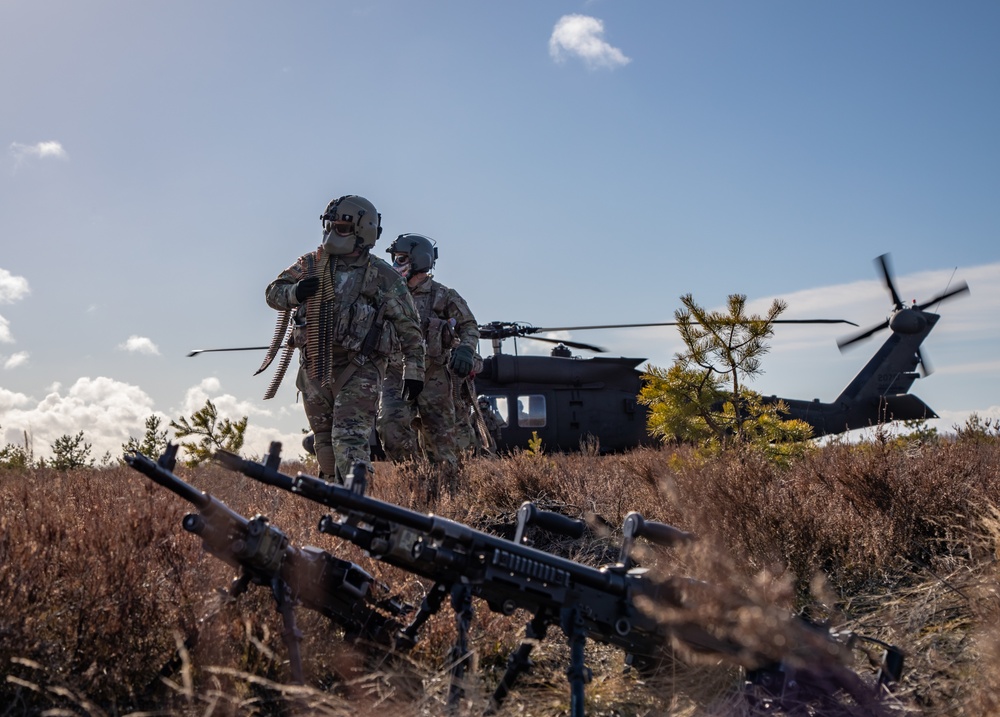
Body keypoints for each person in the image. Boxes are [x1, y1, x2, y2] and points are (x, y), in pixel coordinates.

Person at [265, 195, 424, 483]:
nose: (331, 234)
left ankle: (360, 511)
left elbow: (409, 328)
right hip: (314, 365)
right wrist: (295, 292)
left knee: (349, 443)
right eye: (330, 226)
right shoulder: (310, 264)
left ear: (363, 231)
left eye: (341, 228)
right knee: (324, 444)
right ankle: (333, 511)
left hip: (359, 368)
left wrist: (414, 372)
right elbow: (273, 292)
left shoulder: (383, 276)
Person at [377, 233, 479, 466]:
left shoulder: (443, 295)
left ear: (419, 260)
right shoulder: (387, 294)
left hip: (434, 376)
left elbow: (469, 326)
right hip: (395, 376)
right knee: (390, 427)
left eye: (401, 259)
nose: (395, 265)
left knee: (442, 440)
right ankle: (414, 480)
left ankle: (446, 488)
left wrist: (465, 350)